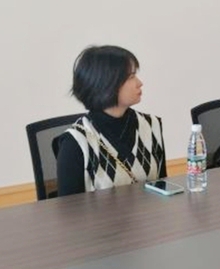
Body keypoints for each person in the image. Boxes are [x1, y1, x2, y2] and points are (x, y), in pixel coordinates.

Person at [56, 45, 166, 196]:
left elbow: (161, 189)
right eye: (131, 77)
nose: (139, 83)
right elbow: (68, 208)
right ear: (107, 84)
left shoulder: (151, 125)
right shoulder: (75, 142)